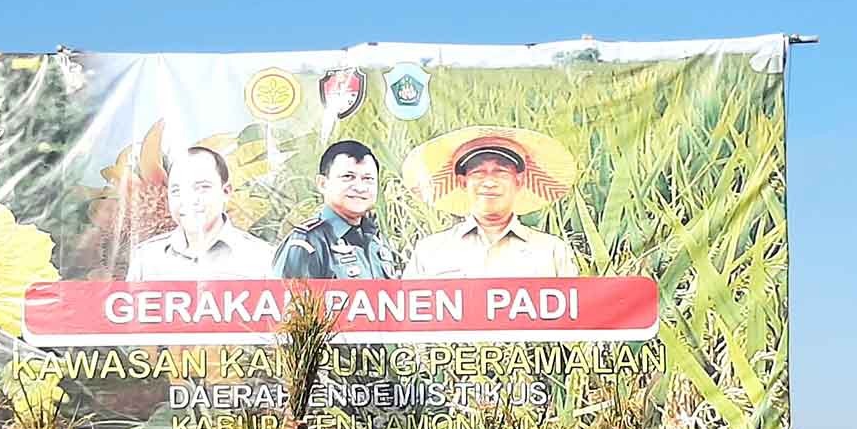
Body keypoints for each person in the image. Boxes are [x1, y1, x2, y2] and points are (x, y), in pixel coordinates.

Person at [403, 129, 581, 278]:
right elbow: (409, 315)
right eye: (478, 173)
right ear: (462, 182)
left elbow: (576, 315)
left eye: (501, 172)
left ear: (519, 180)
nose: (489, 182)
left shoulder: (552, 251)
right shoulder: (429, 251)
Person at [128, 145, 274, 281]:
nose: (189, 200)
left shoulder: (262, 259)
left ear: (226, 191)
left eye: (202, 187)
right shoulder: (145, 259)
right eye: (176, 191)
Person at [271, 141, 401, 280]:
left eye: (367, 179)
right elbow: (287, 300)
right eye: (348, 177)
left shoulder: (378, 240)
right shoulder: (307, 243)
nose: (360, 187)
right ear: (322, 184)